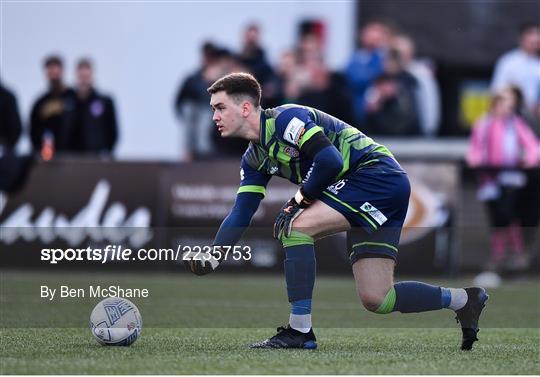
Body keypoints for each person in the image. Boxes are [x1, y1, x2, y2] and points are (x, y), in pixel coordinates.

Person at [185, 72, 489, 351]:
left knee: (296, 226)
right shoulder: (253, 159)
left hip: (374, 175)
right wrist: (215, 253)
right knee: (378, 299)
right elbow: (242, 211)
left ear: (247, 108)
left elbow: (329, 160)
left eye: (220, 107)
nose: (214, 116)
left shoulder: (286, 120)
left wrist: (297, 201)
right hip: (374, 188)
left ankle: (299, 331)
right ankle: (464, 299)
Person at [467, 87, 539, 271]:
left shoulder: (516, 124)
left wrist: (529, 159)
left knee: (509, 214)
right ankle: (499, 255)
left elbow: (533, 146)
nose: (509, 109)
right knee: (496, 217)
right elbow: (475, 148)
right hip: (489, 179)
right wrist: (475, 160)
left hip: (510, 176)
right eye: (506, 104)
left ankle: (516, 252)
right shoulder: (483, 124)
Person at [30, 55, 77, 155]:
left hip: (73, 155)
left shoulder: (74, 97)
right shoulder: (40, 102)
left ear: (62, 71)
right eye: (50, 71)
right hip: (49, 157)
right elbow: (33, 130)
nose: (54, 75)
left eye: (56, 70)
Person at [491, 23, 540, 115]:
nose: (536, 39)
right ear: (522, 39)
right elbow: (497, 90)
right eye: (531, 35)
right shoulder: (508, 62)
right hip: (512, 114)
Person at [73, 58, 118, 154]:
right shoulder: (69, 104)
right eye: (81, 77)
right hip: (73, 158)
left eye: (86, 76)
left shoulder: (105, 102)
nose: (84, 80)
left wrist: (106, 152)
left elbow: (113, 132)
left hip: (97, 158)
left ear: (92, 76)